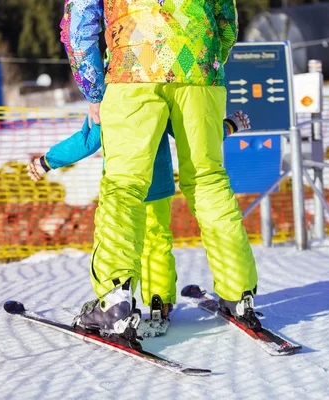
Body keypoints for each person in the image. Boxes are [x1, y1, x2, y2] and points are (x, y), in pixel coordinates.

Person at [61, 0, 260, 343]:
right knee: (208, 179)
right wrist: (206, 61)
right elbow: (226, 17)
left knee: (125, 187)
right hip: (199, 70)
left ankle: (114, 302)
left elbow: (79, 25)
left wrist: (94, 92)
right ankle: (238, 292)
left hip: (133, 70)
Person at [27, 111, 251, 330]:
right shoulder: (157, 92)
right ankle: (159, 302)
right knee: (158, 243)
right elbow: (190, 133)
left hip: (124, 187)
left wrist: (47, 161)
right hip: (159, 184)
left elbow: (88, 141)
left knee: (123, 242)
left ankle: (118, 305)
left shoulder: (110, 97)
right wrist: (228, 126)